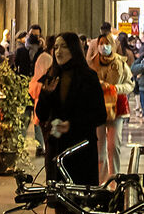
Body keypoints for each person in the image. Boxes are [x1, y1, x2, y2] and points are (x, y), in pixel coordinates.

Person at [35, 32, 105, 185]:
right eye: (56, 47)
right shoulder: (51, 75)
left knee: (80, 201)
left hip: (81, 148)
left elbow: (100, 115)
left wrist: (72, 124)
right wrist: (46, 94)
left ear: (74, 49)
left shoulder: (88, 77)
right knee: (59, 200)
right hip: (57, 148)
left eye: (64, 47)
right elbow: (41, 113)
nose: (58, 52)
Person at [88, 32, 129, 182]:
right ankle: (101, 181)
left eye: (107, 43)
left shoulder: (120, 63)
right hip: (97, 108)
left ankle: (114, 180)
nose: (103, 46)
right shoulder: (92, 64)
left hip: (115, 109)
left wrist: (115, 88)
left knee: (113, 146)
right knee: (99, 150)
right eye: (101, 43)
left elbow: (130, 84)